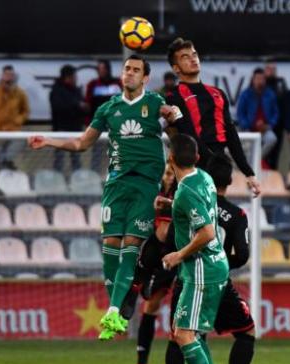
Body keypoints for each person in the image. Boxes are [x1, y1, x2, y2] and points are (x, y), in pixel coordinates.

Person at [28, 55, 179, 340]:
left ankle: (113, 311)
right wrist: (49, 141)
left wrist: (173, 116)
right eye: (127, 69)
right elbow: (81, 143)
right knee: (110, 244)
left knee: (131, 243)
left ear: (145, 78)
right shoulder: (108, 108)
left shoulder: (155, 103)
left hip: (146, 186)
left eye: (136, 70)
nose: (130, 73)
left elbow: (175, 125)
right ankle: (117, 308)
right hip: (115, 185)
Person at [162, 154, 260, 364]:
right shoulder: (237, 214)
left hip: (194, 273)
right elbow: (243, 254)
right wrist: (221, 263)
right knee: (246, 331)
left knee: (181, 334)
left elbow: (174, 238)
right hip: (219, 277)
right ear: (229, 179)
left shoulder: (190, 196)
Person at [161, 134, 229, 364]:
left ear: (171, 159)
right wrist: (170, 207)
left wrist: (179, 254)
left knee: (184, 333)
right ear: (197, 158)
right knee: (191, 331)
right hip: (213, 264)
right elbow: (199, 214)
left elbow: (207, 232)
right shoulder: (204, 177)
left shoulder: (185, 191)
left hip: (201, 268)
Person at [164, 37, 261, 197]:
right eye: (185, 57)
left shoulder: (218, 93)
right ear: (176, 68)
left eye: (194, 54)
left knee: (214, 219)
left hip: (218, 164)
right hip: (192, 165)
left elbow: (231, 134)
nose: (193, 59)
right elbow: (187, 132)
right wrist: (213, 161)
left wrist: (248, 173)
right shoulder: (174, 97)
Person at [126, 165, 178, 364]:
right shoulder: (154, 192)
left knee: (153, 304)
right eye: (165, 173)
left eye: (171, 174)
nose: (168, 177)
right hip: (155, 249)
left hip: (176, 252)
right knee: (150, 304)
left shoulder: (182, 192)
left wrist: (169, 205)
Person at [0, 65, 30, 170]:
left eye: (11, 74)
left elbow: (26, 111)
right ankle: (3, 173)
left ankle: (6, 160)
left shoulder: (20, 94)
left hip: (14, 130)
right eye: (6, 74)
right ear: (2, 76)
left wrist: (19, 120)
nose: (9, 77)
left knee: (19, 144)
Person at [85, 60, 123, 172]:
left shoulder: (118, 83)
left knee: (117, 153)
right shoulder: (93, 84)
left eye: (102, 69)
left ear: (107, 70)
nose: (100, 72)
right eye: (99, 69)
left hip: (116, 126)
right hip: (99, 126)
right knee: (96, 154)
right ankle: (94, 175)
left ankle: (117, 175)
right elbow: (88, 104)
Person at [236, 68, 279, 164]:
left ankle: (256, 159)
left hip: (265, 128)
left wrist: (269, 125)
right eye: (258, 78)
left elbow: (275, 113)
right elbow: (240, 114)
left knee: (272, 139)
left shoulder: (270, 94)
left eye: (262, 79)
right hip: (249, 128)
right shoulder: (245, 94)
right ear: (253, 80)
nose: (260, 81)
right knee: (244, 145)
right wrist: (248, 125)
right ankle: (249, 163)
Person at [50, 64, 88, 172]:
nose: (76, 78)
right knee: (59, 158)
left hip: (75, 130)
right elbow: (59, 107)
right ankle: (57, 179)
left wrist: (83, 107)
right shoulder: (56, 91)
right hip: (60, 130)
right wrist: (77, 105)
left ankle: (77, 179)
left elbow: (83, 107)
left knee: (76, 158)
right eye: (74, 76)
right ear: (68, 77)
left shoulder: (76, 90)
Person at [264, 63, 288, 170]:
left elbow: (285, 104)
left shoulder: (281, 84)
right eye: (269, 69)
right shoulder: (260, 84)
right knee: (262, 154)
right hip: (262, 126)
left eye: (273, 69)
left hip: (278, 126)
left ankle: (272, 177)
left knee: (275, 155)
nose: (271, 71)